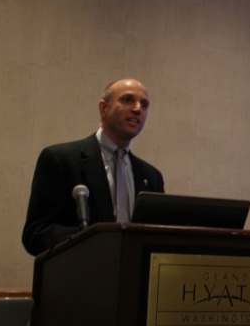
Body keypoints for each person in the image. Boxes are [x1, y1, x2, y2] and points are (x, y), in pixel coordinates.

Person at [22, 79, 164, 255]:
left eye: (144, 104)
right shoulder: (60, 160)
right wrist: (90, 237)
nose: (137, 109)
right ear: (104, 108)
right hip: (81, 275)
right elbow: (35, 234)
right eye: (128, 100)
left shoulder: (152, 177)